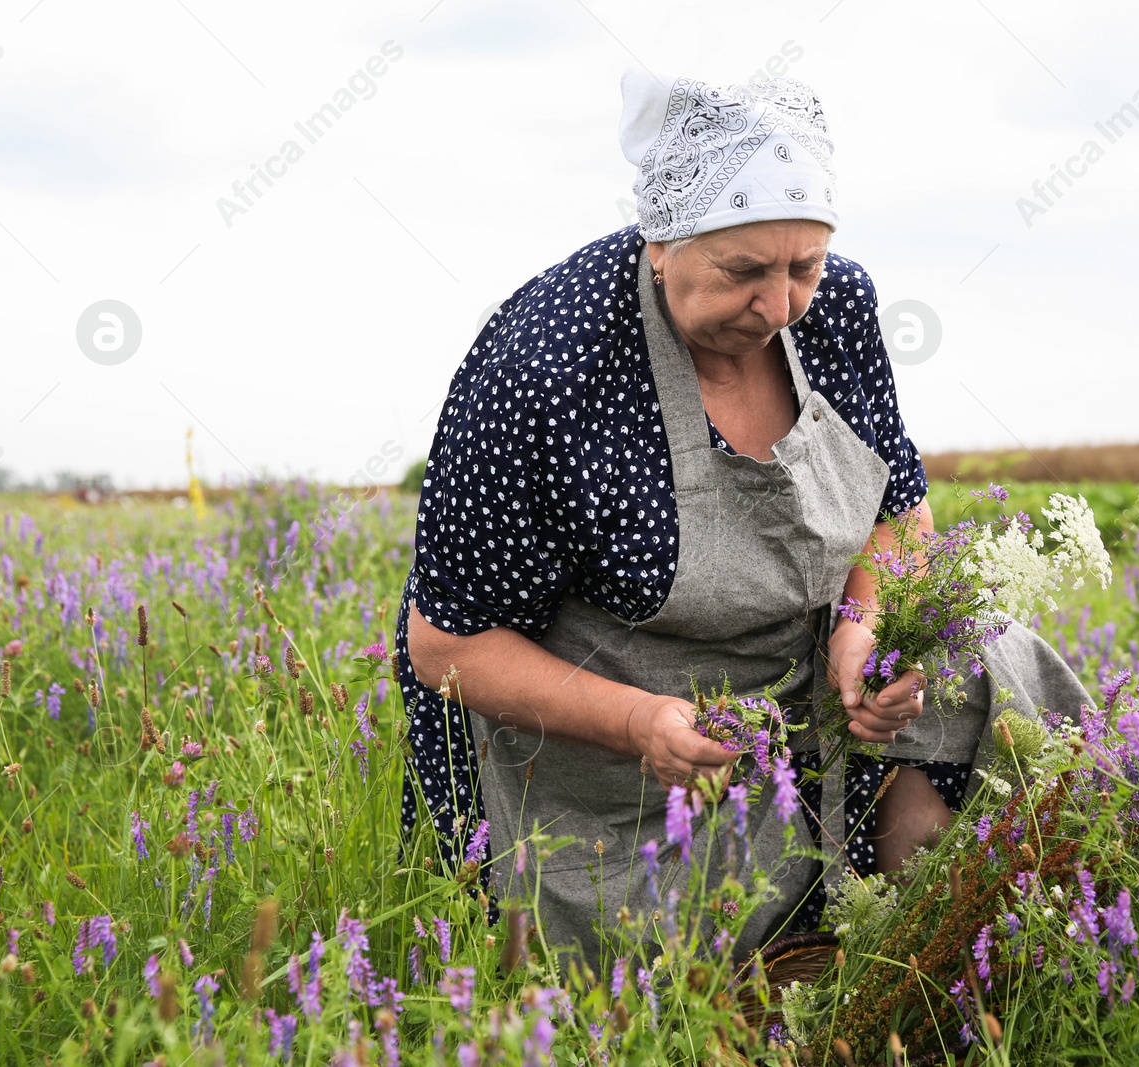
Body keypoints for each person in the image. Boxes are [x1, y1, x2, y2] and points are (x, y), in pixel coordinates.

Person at [394, 71, 1090, 963]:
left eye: (804, 266)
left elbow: (896, 511)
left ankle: (924, 895)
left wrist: (864, 624)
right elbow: (448, 647)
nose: (778, 307)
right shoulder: (549, 368)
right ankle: (811, 932)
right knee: (663, 955)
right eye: (744, 271)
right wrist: (640, 723)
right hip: (623, 732)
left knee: (993, 665)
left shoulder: (835, 309)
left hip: (810, 681)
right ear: (660, 240)